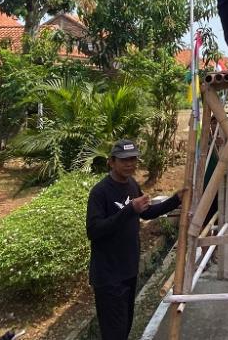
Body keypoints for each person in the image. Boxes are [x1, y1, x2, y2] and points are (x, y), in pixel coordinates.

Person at [86, 139, 184, 339]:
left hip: (129, 271)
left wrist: (176, 199)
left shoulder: (131, 184)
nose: (129, 163)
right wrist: (130, 210)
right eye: (123, 160)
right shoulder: (100, 192)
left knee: (126, 326)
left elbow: (146, 213)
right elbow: (94, 231)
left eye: (132, 159)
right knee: (114, 333)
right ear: (111, 162)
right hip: (108, 276)